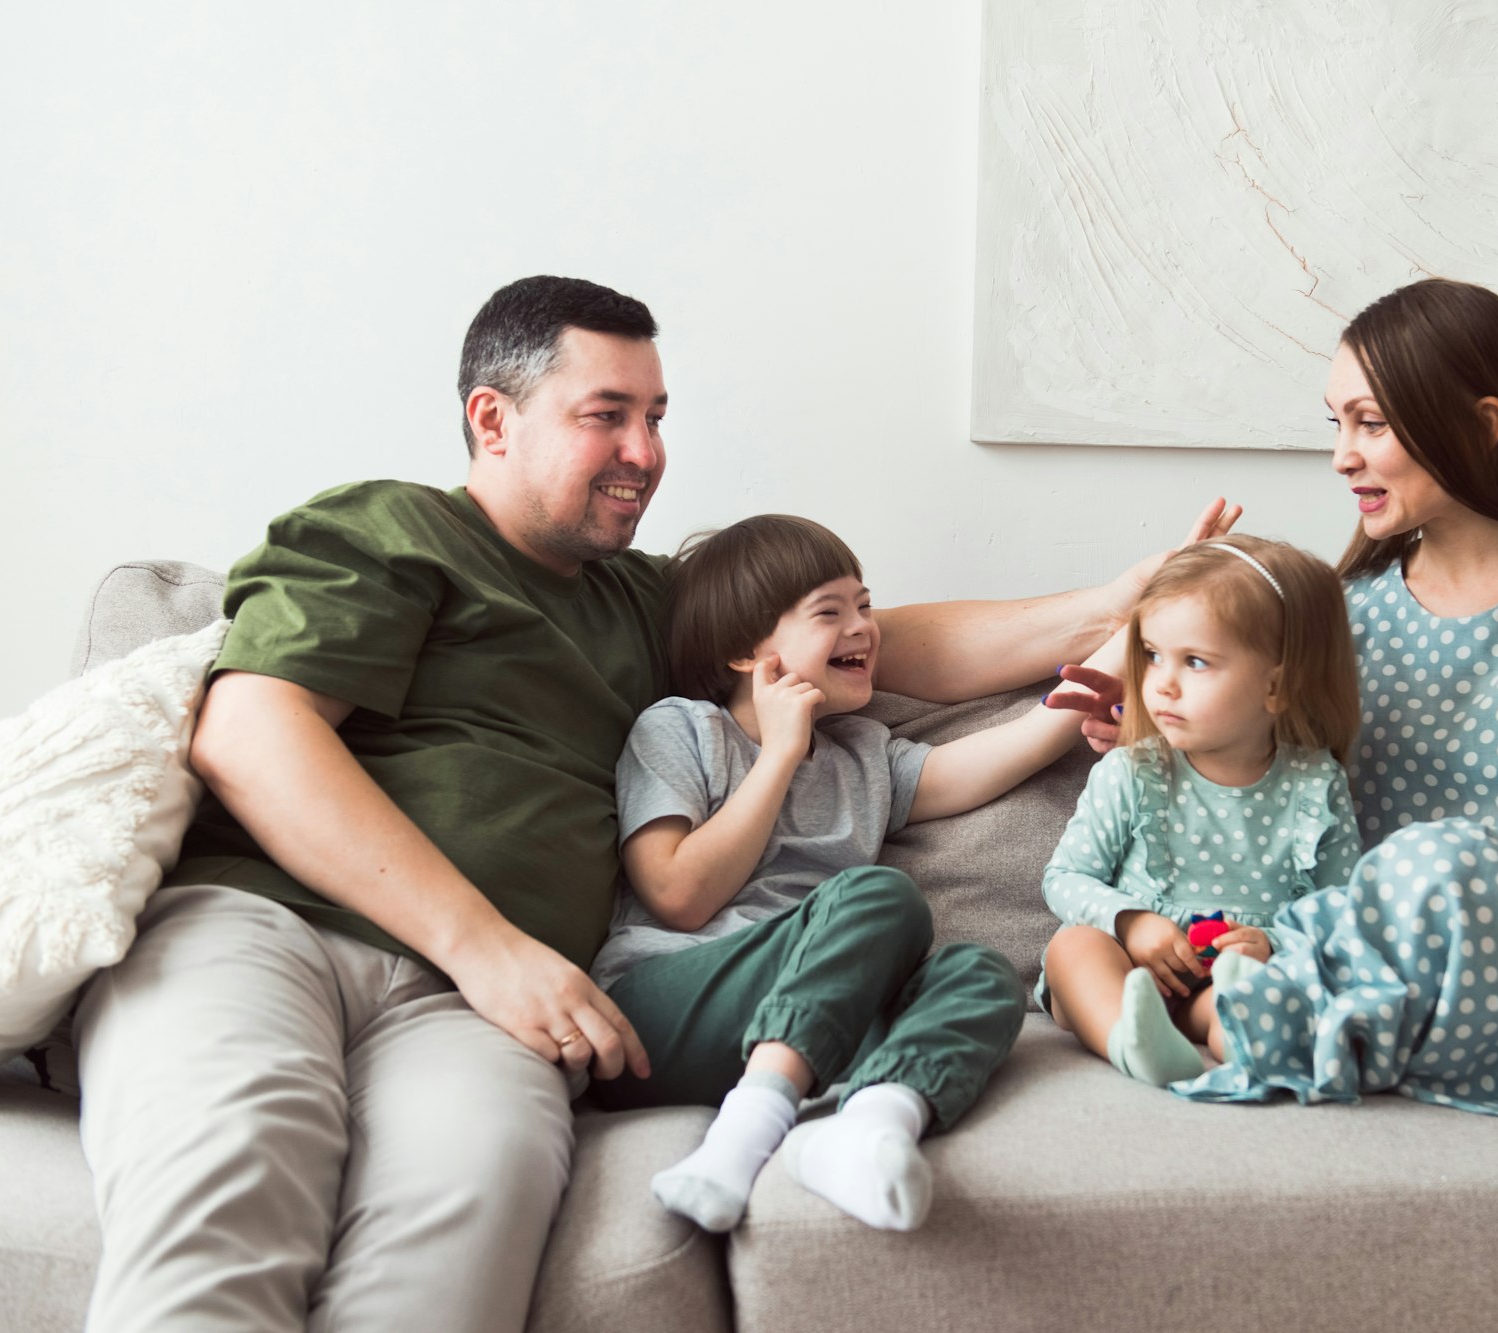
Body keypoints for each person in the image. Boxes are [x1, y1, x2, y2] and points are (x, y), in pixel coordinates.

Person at [70, 274, 1238, 1333]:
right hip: (275, 931)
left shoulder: (643, 602)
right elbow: (250, 733)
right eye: (607, 415)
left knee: (461, 1233)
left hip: (481, 1014)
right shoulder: (392, 531)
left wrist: (1117, 603)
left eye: (658, 415)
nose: (646, 451)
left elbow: (878, 644)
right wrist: (485, 948)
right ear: (492, 419)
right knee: (230, 1187)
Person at [1052, 279, 1498, 1140]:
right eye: (1336, 424)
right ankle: (1259, 1035)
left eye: (1371, 424)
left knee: (1437, 859)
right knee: (1338, 919)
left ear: (1483, 424)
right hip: (1389, 959)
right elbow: (1266, 777)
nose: (1342, 456)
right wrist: (1162, 723)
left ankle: (1302, 1022)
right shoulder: (1343, 615)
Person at [585, 513, 1120, 1233]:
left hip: (804, 1022)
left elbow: (1012, 747)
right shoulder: (680, 728)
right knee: (881, 897)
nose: (863, 627)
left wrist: (1134, 639)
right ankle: (747, 1130)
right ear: (746, 651)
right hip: (658, 1015)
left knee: (981, 974)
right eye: (829, 612)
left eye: (864, 605)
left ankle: (867, 1126)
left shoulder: (864, 754)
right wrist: (780, 753)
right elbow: (677, 895)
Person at [1036, 535, 1364, 1088]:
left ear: (1277, 685)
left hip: (1227, 973)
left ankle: (1238, 1031)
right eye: (1152, 655)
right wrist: (1131, 922)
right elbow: (1064, 878)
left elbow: (1341, 914)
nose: (1162, 684)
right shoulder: (1131, 771)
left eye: (1195, 662)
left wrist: (1272, 944)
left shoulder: (1315, 785)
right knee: (1074, 946)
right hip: (1129, 965)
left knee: (1252, 986)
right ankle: (1128, 1037)